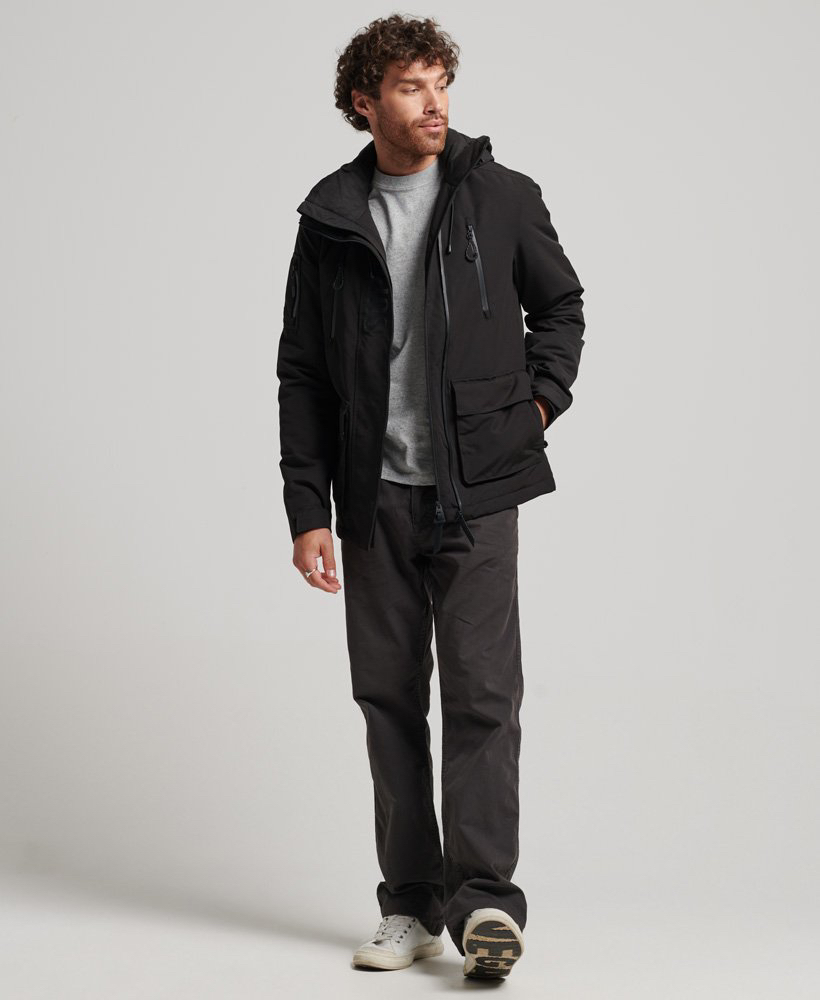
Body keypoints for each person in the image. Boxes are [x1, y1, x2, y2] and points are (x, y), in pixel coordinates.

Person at [276, 13, 586, 979]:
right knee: (389, 701)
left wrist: (537, 405)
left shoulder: (502, 196)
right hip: (374, 501)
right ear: (364, 103)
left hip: (478, 492)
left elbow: (562, 306)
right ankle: (408, 904)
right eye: (412, 86)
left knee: (485, 699)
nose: (435, 102)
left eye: (442, 82)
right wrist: (309, 509)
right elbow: (302, 372)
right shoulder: (330, 219)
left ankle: (485, 904)